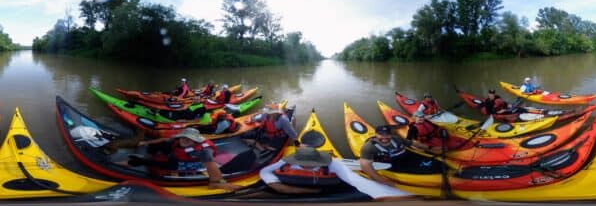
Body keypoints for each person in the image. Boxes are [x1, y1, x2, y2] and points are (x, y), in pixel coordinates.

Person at [259, 147, 410, 199]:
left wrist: (391, 192)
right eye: (305, 164)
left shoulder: (333, 164)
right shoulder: (285, 163)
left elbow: (355, 180)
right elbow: (265, 171)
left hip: (323, 191)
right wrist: (277, 185)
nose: (308, 166)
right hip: (300, 189)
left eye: (312, 164)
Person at [132, 128, 241, 191]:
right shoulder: (179, 140)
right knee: (162, 144)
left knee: (166, 164)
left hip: (189, 162)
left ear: (196, 140)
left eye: (190, 139)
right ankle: (151, 154)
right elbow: (164, 139)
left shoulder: (204, 151)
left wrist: (216, 182)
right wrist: (145, 142)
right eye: (184, 137)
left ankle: (140, 161)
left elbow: (210, 165)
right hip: (178, 154)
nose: (185, 140)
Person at [359, 125, 432, 188]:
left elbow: (413, 143)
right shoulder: (368, 147)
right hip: (393, 164)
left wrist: (430, 148)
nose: (384, 137)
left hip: (407, 157)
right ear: (376, 134)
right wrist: (381, 180)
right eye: (381, 134)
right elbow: (366, 165)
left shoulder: (396, 138)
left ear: (390, 134)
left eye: (387, 134)